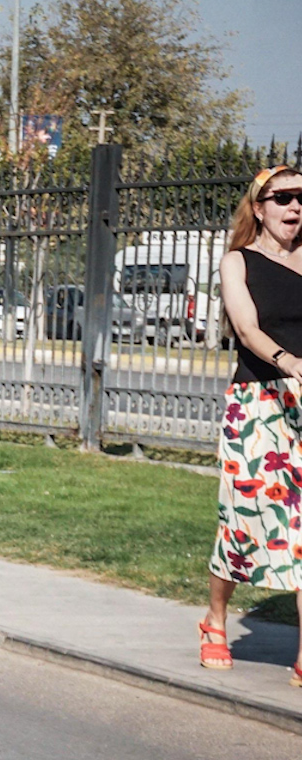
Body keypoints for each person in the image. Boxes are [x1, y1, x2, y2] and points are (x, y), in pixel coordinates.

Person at [206, 164, 302, 676]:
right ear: (259, 208)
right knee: (244, 519)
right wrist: (289, 363)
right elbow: (246, 328)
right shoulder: (237, 263)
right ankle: (216, 618)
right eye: (282, 197)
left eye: (301, 199)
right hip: (260, 401)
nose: (294, 207)